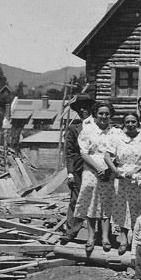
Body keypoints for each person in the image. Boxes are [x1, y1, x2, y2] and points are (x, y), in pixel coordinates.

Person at [105, 111, 141, 254]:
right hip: (122, 179)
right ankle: (124, 240)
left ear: (138, 123)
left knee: (138, 208)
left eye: (133, 122)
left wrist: (136, 170)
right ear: (124, 124)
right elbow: (107, 156)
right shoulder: (118, 138)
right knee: (123, 209)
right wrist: (116, 171)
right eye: (127, 122)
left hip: (138, 179)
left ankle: (137, 241)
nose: (131, 125)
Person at [75, 100, 119, 255]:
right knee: (91, 202)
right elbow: (84, 153)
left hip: (109, 170)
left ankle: (105, 237)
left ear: (111, 115)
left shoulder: (115, 132)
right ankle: (91, 237)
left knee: (106, 201)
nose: (104, 116)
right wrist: (98, 169)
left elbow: (118, 152)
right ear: (95, 114)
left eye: (107, 114)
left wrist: (108, 169)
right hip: (91, 169)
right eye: (101, 113)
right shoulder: (87, 131)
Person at [60, 94, 94, 245]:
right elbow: (69, 153)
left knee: (99, 200)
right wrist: (70, 173)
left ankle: (100, 235)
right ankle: (71, 232)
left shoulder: (99, 125)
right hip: (79, 169)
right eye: (80, 107)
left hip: (97, 167)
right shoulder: (74, 128)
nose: (82, 110)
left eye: (86, 107)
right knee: (76, 200)